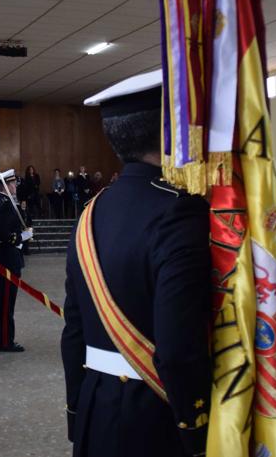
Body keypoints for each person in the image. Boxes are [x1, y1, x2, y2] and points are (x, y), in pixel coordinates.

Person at [62, 71, 210, 457]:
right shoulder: (180, 210)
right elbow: (179, 348)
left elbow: (74, 329)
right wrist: (198, 431)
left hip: (96, 405)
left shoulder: (89, 214)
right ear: (169, 131)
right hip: (156, 416)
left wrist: (75, 409)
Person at [0, 168, 32, 352]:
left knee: (3, 300)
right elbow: (5, 234)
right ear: (5, 186)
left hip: (5, 256)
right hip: (6, 257)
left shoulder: (4, 202)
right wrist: (23, 237)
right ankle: (5, 341)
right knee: (5, 301)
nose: (15, 186)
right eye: (12, 183)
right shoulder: (3, 204)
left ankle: (2, 338)